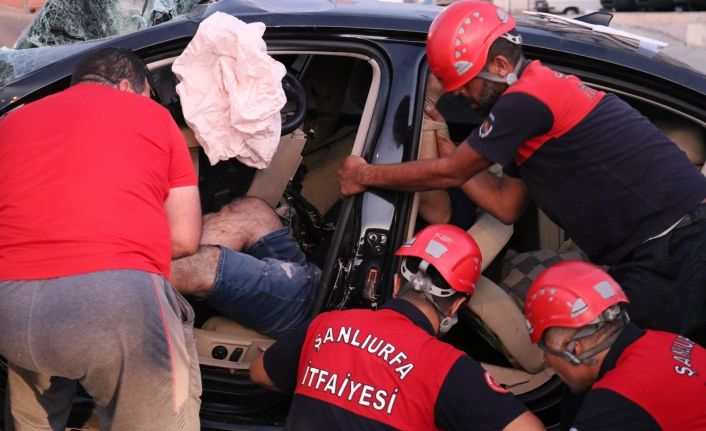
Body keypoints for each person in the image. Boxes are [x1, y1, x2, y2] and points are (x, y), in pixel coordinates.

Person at [337, 0, 706, 343]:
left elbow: (450, 174)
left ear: (500, 66)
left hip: (676, 244)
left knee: (640, 367)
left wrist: (364, 175)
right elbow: (507, 204)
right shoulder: (532, 110)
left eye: (466, 84)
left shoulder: (527, 99)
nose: (459, 95)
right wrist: (451, 151)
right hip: (655, 246)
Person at [0, 47, 202, 430]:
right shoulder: (155, 117)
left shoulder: (13, 120)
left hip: (9, 307)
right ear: (127, 86)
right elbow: (184, 238)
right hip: (112, 305)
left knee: (31, 417)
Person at [250, 224, 545, 430]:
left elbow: (260, 372)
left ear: (394, 284)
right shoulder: (447, 369)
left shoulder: (327, 324)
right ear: (455, 307)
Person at [523, 261, 706, 430]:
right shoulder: (663, 339)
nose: (547, 361)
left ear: (574, 350)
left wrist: (507, 408)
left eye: (545, 350)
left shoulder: (618, 398)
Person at [171, 195, 321, 338]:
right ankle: (170, 259)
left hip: (317, 310)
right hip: (319, 278)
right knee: (254, 211)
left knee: (204, 264)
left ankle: (164, 273)